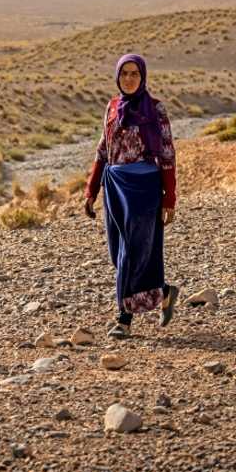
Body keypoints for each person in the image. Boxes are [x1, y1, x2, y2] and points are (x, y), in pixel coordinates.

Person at [84, 53, 179, 338]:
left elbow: (167, 155)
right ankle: (164, 291)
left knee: (132, 252)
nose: (128, 78)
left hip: (145, 188)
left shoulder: (156, 109)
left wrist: (169, 198)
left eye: (134, 73)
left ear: (143, 77)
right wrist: (91, 189)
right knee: (119, 253)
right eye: (124, 73)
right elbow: (102, 151)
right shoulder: (112, 107)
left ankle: (123, 319)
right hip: (115, 187)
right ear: (117, 76)